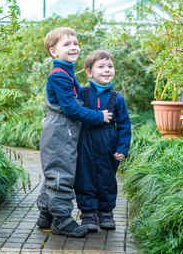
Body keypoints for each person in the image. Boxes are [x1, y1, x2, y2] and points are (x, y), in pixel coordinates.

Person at [36, 27, 112, 238]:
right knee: (61, 174)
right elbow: (70, 108)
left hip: (63, 131)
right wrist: (99, 116)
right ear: (53, 52)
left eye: (75, 43)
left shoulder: (66, 71)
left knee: (55, 173)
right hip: (60, 132)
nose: (73, 47)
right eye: (67, 44)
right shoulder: (59, 75)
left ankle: (46, 215)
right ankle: (61, 219)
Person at [74, 50, 131, 232]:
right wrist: (48, 117)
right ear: (89, 72)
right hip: (85, 142)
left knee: (107, 178)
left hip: (108, 143)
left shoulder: (117, 98)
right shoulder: (82, 94)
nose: (107, 70)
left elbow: (124, 126)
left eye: (110, 66)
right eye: (101, 66)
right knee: (85, 177)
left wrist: (122, 147)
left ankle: (106, 212)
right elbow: (68, 108)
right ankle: (88, 213)